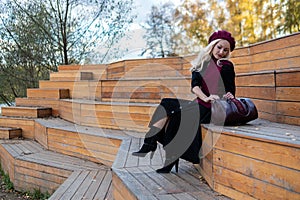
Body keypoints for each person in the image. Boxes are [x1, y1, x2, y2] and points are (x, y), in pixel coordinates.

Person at [132, 30, 236, 173]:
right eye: (219, 47)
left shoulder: (227, 66)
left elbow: (231, 91)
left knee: (173, 111)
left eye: (226, 50)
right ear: (212, 46)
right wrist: (205, 97)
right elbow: (195, 87)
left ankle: (151, 143)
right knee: (169, 108)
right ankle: (157, 147)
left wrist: (228, 95)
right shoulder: (201, 64)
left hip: (213, 109)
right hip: (201, 103)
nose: (222, 52)